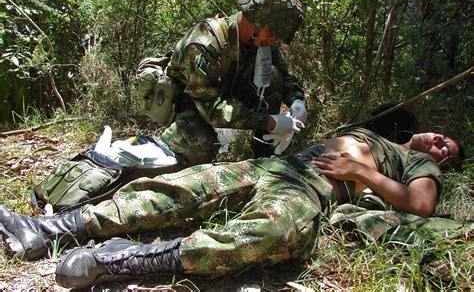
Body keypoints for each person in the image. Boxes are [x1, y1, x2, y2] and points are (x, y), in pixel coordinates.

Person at [0, 127, 464, 289]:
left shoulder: (416, 162)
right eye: (441, 138)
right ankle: (51, 227)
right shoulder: (385, 133)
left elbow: (421, 205)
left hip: (312, 188)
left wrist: (361, 174)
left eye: (449, 151)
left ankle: (116, 260)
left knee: (268, 233)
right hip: (277, 165)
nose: (440, 146)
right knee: (180, 186)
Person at [147, 0, 307, 166]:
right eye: (272, 34)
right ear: (254, 19)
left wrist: (297, 100)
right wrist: (269, 122)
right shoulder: (204, 44)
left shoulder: (262, 41)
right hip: (189, 103)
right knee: (202, 144)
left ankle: (264, 156)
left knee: (273, 77)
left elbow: (284, 76)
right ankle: (171, 151)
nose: (273, 40)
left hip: (223, 94)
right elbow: (212, 110)